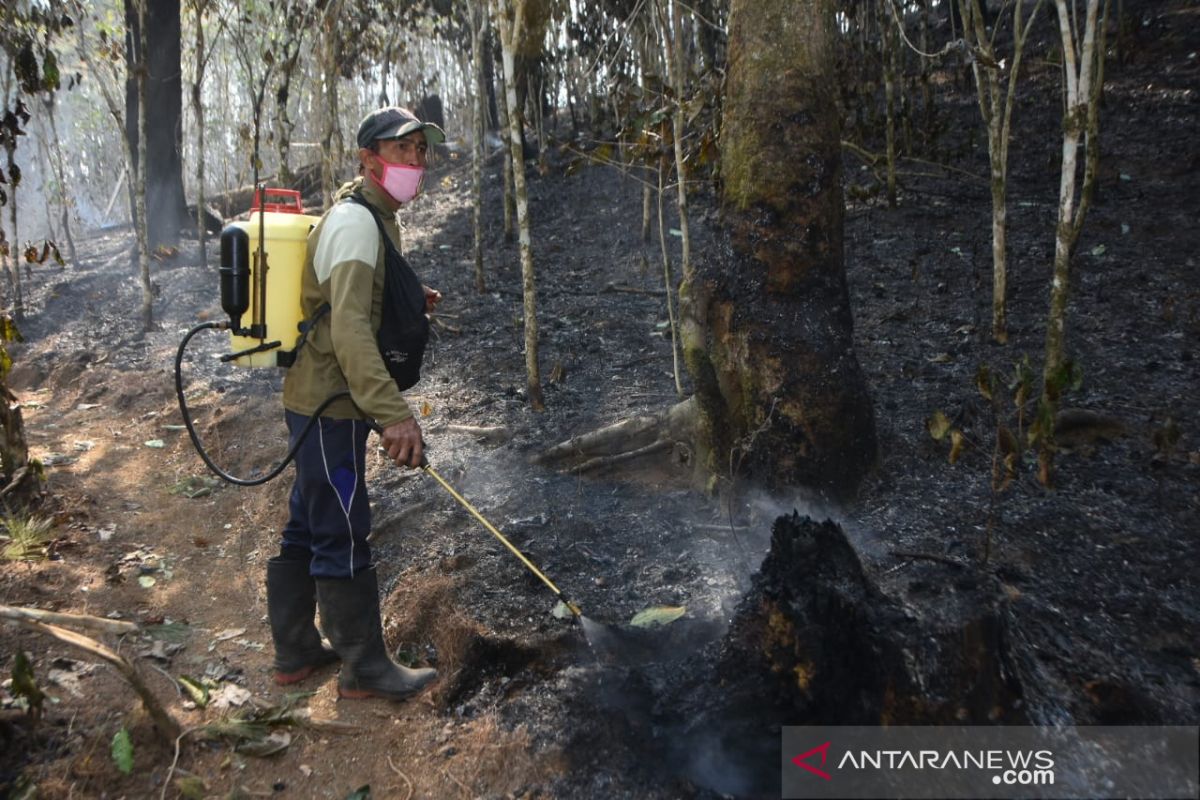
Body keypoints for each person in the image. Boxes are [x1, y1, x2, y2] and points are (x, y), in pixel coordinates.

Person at [265, 107, 445, 700]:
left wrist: (407, 294)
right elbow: (347, 328)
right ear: (370, 160)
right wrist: (393, 412)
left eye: (422, 149)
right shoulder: (355, 223)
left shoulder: (375, 216)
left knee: (308, 520)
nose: (417, 162)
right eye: (404, 150)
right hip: (330, 404)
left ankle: (294, 652)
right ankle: (363, 668)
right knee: (342, 524)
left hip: (321, 400)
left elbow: (354, 297)